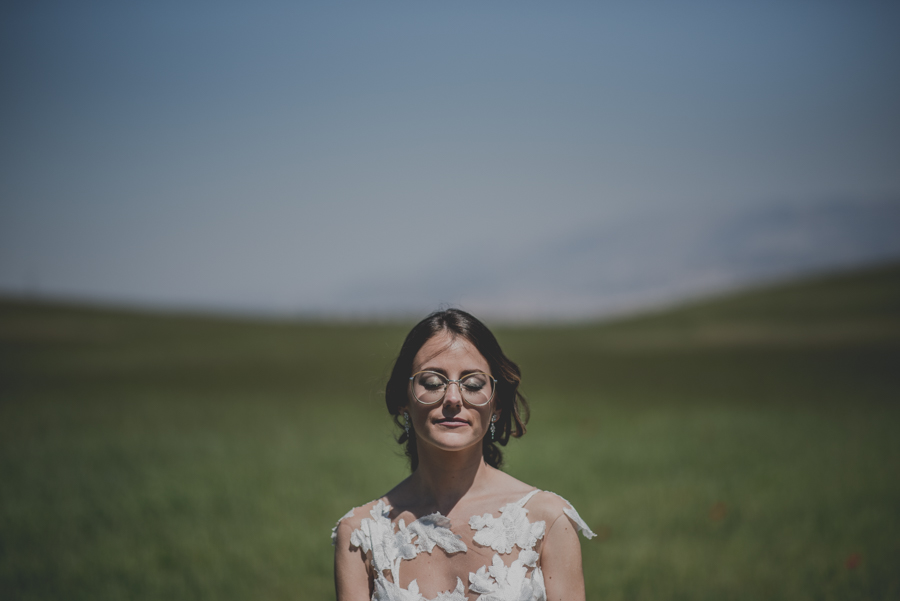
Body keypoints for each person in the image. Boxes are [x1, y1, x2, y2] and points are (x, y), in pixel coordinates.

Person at [333, 309, 595, 601]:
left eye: (473, 384)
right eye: (432, 383)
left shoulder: (547, 521)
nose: (453, 399)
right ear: (402, 400)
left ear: (496, 405)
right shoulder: (360, 535)